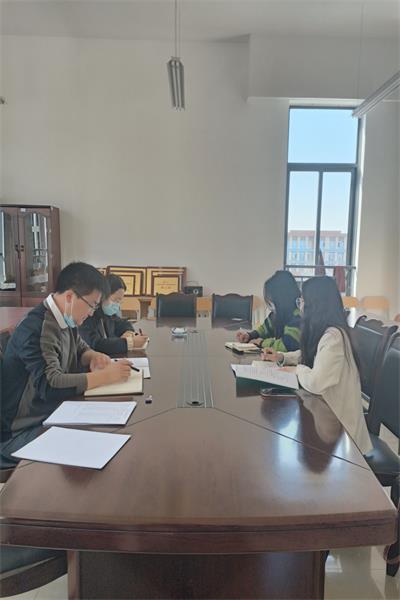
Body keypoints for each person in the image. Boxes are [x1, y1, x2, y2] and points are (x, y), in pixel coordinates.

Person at [1, 262, 132, 462]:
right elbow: (50, 384)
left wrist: (93, 356)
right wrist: (105, 376)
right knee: (94, 450)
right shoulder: (37, 328)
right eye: (92, 305)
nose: (92, 313)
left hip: (50, 415)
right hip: (20, 433)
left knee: (106, 435)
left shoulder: (65, 318)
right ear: (70, 296)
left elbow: (80, 348)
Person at [261, 276, 372, 455]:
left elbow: (316, 383)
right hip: (328, 419)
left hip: (343, 436)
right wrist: (281, 357)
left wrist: (296, 370)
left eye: (302, 301)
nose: (300, 306)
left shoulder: (334, 338)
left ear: (315, 305)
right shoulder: (326, 332)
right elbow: (310, 355)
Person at [79, 274, 147, 355]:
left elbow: (123, 323)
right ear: (102, 296)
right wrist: (129, 343)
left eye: (120, 301)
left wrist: (128, 332)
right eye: (115, 300)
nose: (117, 305)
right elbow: (96, 344)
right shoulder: (88, 316)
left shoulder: (108, 314)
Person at [236, 270, 301, 351]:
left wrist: (262, 343)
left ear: (281, 301)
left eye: (270, 302)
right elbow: (265, 329)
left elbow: (286, 346)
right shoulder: (277, 314)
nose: (269, 306)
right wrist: (250, 335)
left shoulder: (297, 318)